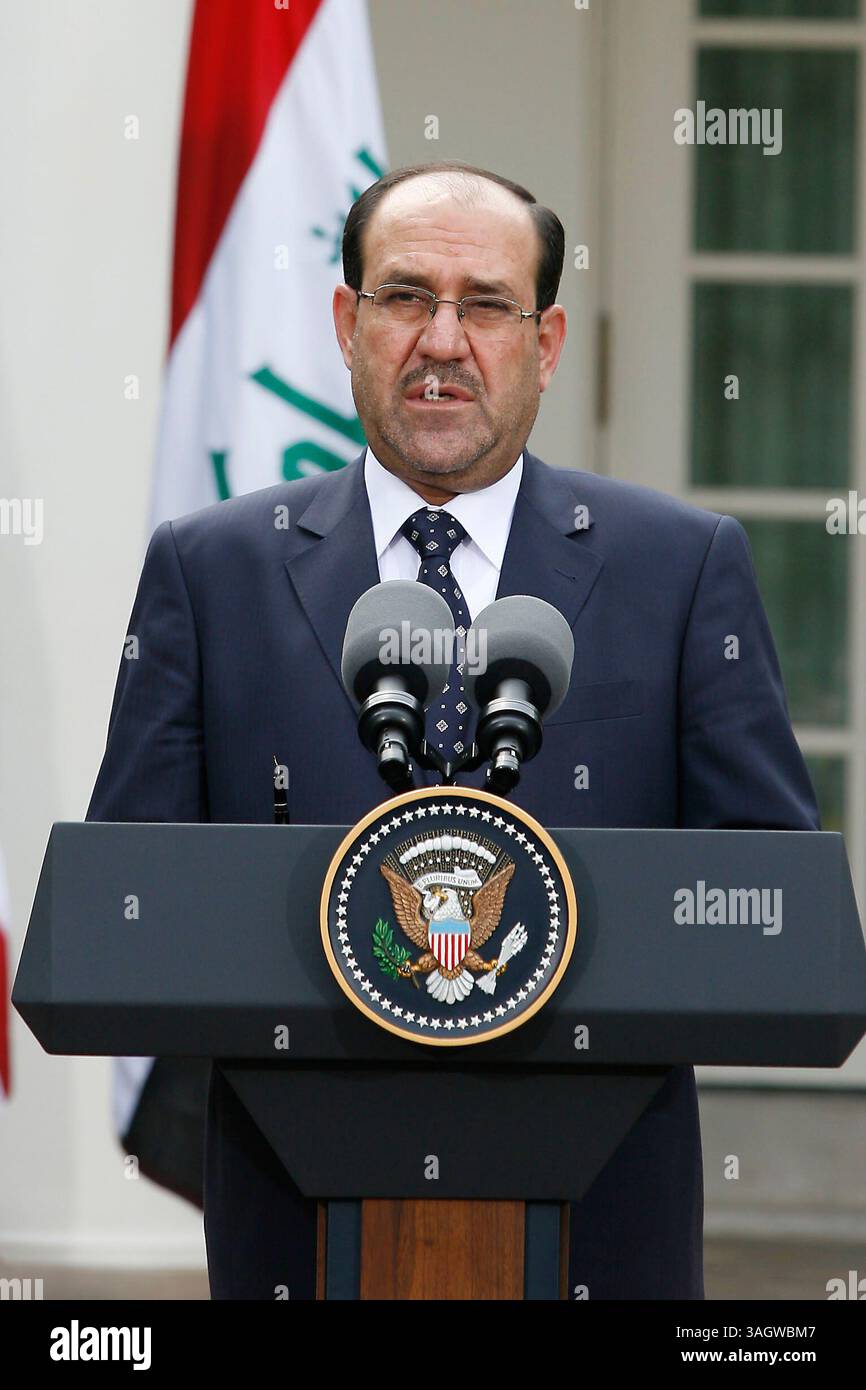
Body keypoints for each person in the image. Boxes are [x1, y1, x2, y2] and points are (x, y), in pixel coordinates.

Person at [87, 160, 819, 1299]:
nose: (442, 339)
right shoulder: (209, 569)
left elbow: (770, 897)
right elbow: (128, 898)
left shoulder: (677, 568)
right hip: (298, 1218)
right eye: (403, 297)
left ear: (548, 339)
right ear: (345, 322)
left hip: (599, 1225)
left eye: (485, 304)